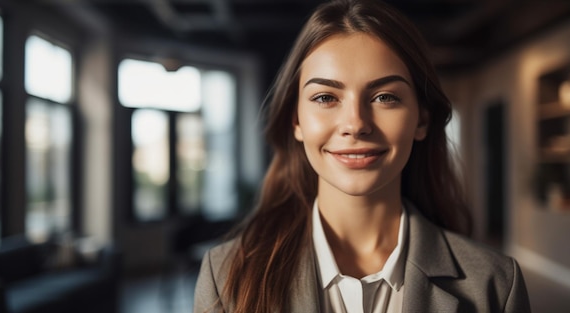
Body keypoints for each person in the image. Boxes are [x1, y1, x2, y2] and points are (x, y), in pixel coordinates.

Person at [193, 0, 531, 312]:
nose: (355, 124)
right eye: (326, 97)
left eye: (385, 97)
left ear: (422, 119)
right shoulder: (226, 276)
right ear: (296, 120)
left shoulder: (496, 284)